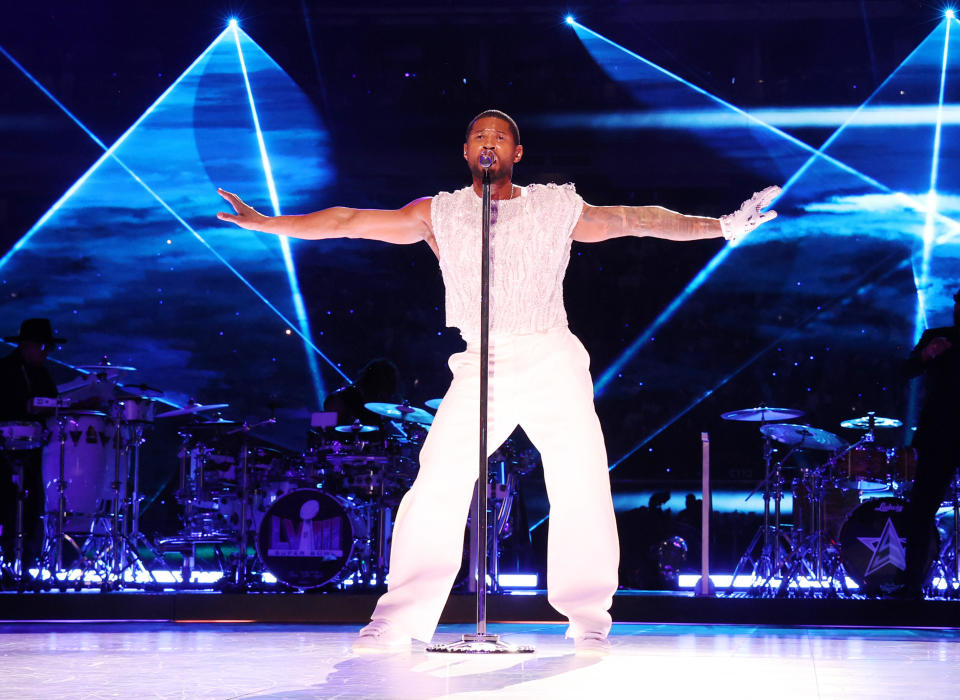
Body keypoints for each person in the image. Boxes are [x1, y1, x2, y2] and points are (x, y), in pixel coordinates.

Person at [217, 109, 779, 653]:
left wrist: (723, 226)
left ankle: (588, 619)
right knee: (437, 479)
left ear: (517, 153)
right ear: (466, 152)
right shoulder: (438, 213)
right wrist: (268, 223)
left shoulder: (555, 207)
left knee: (580, 482)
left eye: (500, 136)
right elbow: (347, 221)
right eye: (479, 135)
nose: (489, 142)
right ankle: (399, 619)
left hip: (551, 355)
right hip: (483, 360)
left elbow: (637, 218)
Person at [902, 290, 960, 598]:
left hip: (942, 433)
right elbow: (906, 369)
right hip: (939, 434)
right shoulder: (938, 337)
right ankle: (912, 583)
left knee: (922, 508)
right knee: (922, 509)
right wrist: (927, 355)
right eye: (958, 303)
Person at [0, 318, 65, 582]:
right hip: (4, 450)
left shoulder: (42, 373)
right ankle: (6, 560)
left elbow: (52, 403)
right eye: (42, 346)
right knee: (6, 502)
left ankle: (25, 563)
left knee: (33, 502)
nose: (46, 352)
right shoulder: (4, 370)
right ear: (26, 346)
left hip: (33, 449)